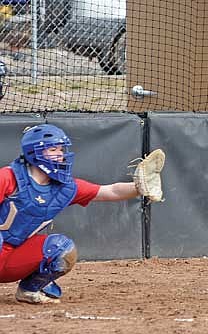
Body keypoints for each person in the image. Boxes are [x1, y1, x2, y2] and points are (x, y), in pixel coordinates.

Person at [0, 124, 162, 304]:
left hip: (10, 259)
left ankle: (28, 291)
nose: (60, 154)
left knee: (61, 248)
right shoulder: (8, 177)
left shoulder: (64, 188)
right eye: (52, 149)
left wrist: (140, 187)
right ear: (33, 152)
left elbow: (110, 191)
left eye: (61, 149)